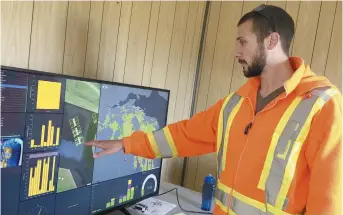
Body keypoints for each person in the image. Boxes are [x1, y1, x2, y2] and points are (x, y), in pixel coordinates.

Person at [85, 4, 342, 215]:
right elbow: (183, 136)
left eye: (243, 42)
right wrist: (126, 144)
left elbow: (329, 201)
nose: (236, 52)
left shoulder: (321, 105)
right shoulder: (236, 103)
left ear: (272, 40)